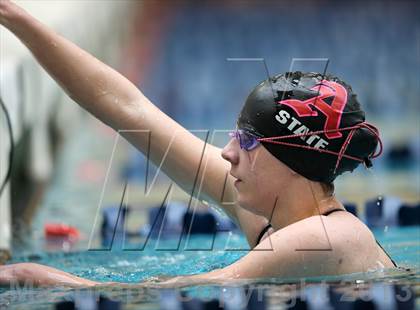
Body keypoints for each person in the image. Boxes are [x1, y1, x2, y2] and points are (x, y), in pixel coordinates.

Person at [0, 0, 396, 288]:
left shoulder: (327, 239)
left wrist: (42, 278)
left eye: (248, 141)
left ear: (293, 158)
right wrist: (16, 17)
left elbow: (172, 290)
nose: (228, 153)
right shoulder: (276, 214)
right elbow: (127, 108)